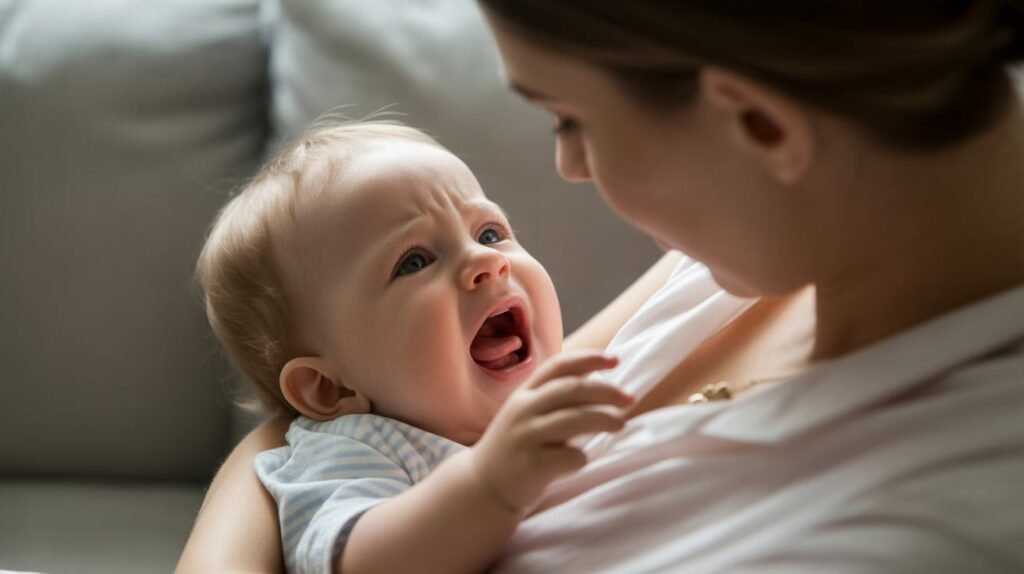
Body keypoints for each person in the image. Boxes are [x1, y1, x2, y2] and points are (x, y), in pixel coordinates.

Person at [179, 2, 1024, 572]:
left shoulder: (919, 521)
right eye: (413, 260)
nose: (569, 167)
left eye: (569, 118)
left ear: (760, 123)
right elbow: (296, 444)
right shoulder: (771, 248)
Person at [192, 121, 634, 573]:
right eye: (415, 261)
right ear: (330, 389)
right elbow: (360, 563)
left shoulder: (573, 385)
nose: (487, 261)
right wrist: (488, 483)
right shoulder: (358, 449)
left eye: (489, 234)